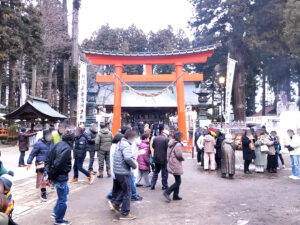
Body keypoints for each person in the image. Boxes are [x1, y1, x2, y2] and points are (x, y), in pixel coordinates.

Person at [46, 128, 74, 225]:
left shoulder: (58, 144)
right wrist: (51, 175)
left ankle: (55, 212)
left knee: (64, 193)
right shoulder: (66, 149)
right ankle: (59, 220)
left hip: (57, 175)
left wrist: (49, 174)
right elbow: (58, 164)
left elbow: (49, 159)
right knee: (63, 200)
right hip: (60, 176)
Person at [111, 129, 137, 220]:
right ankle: (125, 213)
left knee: (124, 189)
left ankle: (116, 203)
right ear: (130, 137)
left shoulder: (120, 142)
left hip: (118, 171)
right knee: (127, 192)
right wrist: (134, 166)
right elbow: (127, 158)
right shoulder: (126, 145)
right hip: (123, 171)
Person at [27, 129, 53, 201]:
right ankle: (43, 192)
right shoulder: (38, 143)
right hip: (41, 163)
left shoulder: (52, 143)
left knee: (48, 177)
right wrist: (29, 161)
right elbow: (32, 153)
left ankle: (50, 185)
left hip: (49, 163)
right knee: (42, 178)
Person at [163, 131, 184, 202]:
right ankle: (167, 192)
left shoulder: (171, 143)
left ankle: (176, 195)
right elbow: (179, 155)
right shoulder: (177, 144)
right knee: (178, 181)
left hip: (171, 162)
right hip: (175, 163)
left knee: (177, 180)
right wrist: (182, 158)